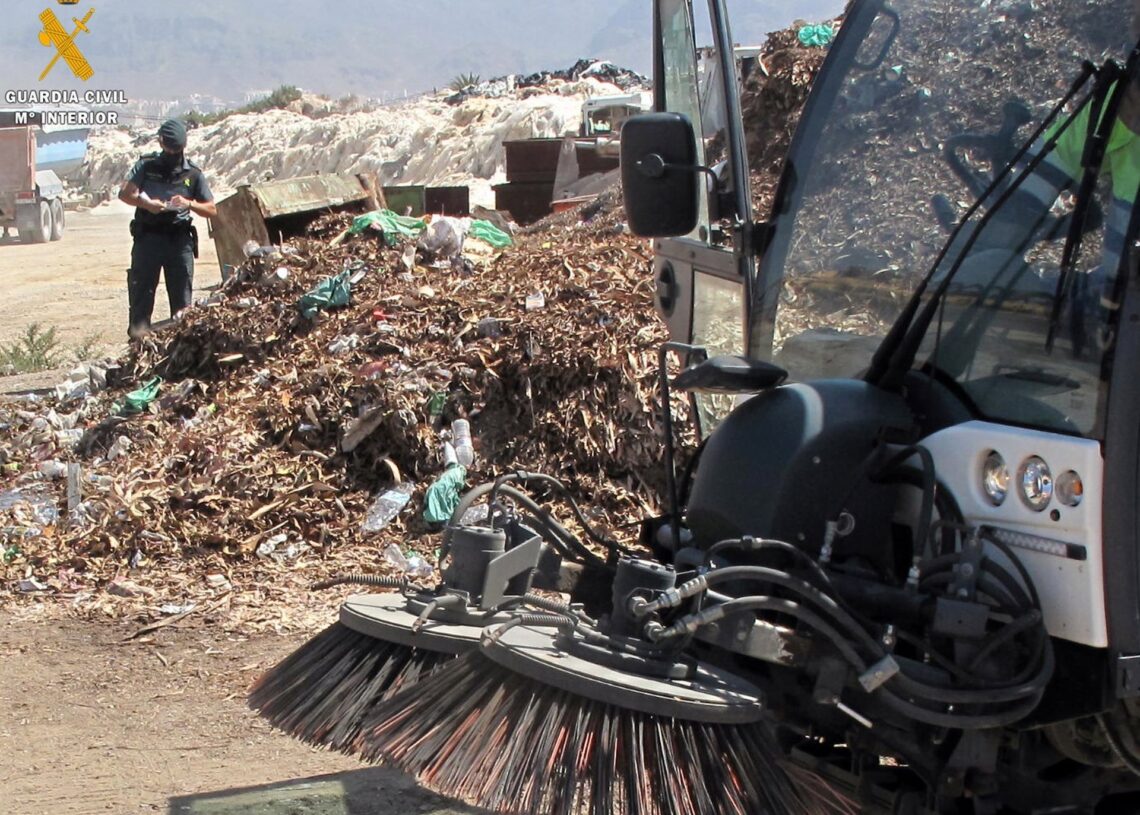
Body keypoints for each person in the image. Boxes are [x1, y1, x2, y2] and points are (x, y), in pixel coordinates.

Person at [118, 119, 216, 338]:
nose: (172, 152)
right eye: (169, 147)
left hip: (178, 242)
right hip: (148, 240)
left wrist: (188, 203)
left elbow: (211, 209)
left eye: (176, 149)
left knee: (182, 307)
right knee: (141, 299)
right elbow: (125, 193)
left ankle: (180, 351)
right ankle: (138, 349)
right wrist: (148, 204)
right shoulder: (146, 166)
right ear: (161, 143)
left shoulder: (193, 174)